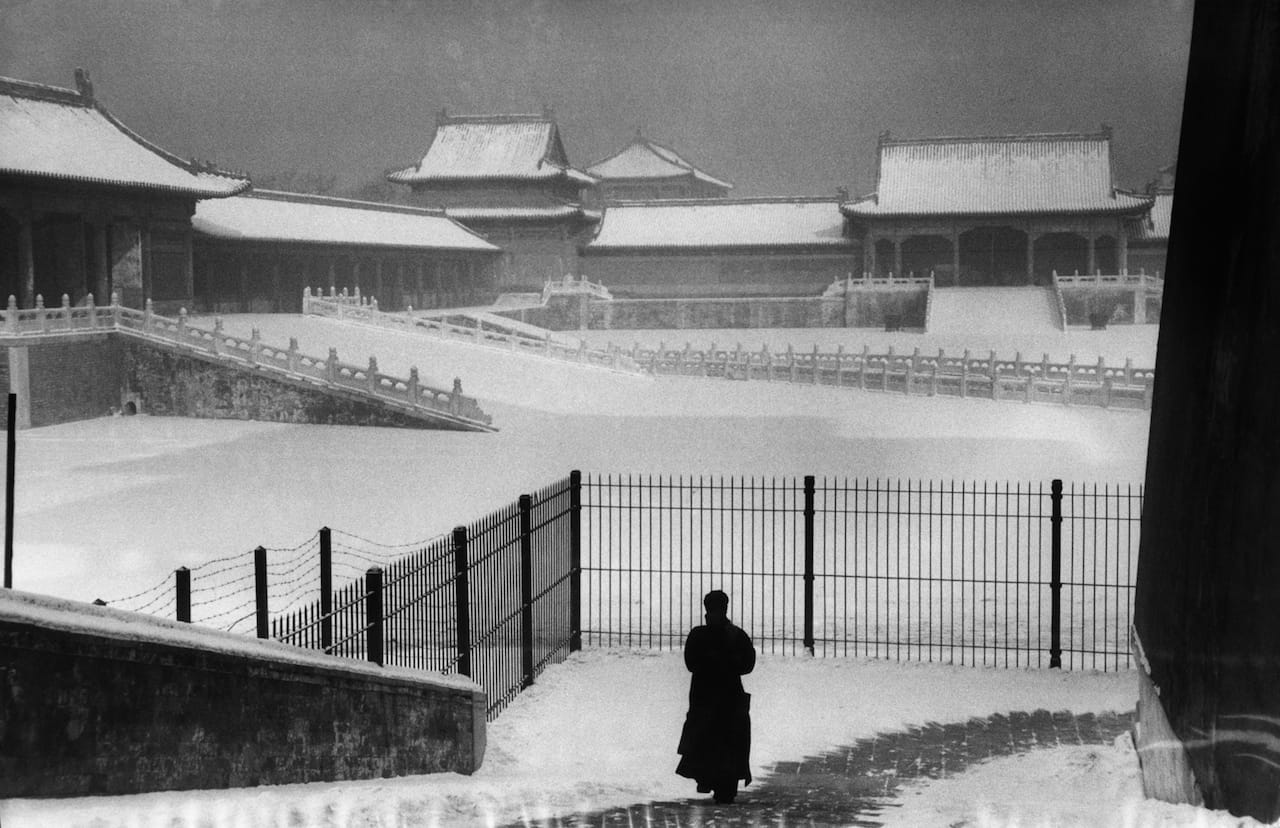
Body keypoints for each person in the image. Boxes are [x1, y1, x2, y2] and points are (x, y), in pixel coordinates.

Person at [675, 589, 756, 804]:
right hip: (727, 695)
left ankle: (712, 781)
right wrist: (727, 662)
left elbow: (692, 663)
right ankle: (723, 785)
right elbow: (747, 663)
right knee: (727, 741)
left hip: (706, 696)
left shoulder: (700, 635)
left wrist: (713, 661)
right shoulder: (735, 634)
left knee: (708, 740)